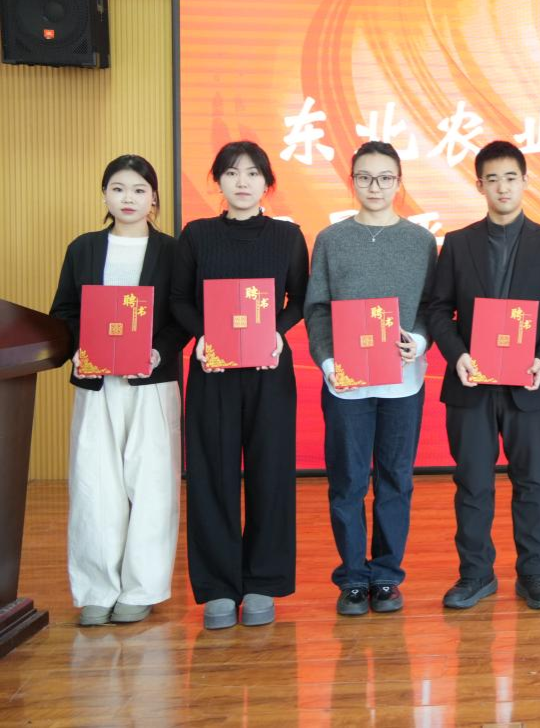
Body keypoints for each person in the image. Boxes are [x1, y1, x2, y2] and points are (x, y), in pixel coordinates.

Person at [426, 141, 540, 611]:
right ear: (479, 186)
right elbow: (438, 310)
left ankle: (534, 574)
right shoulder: (458, 243)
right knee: (473, 482)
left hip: (528, 382)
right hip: (471, 383)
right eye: (492, 179)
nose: (502, 187)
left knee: (534, 482)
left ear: (525, 181)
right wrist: (457, 355)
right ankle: (475, 575)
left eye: (511, 178)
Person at [171, 140, 309, 629]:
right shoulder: (196, 235)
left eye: (252, 173)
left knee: (271, 474)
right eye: (231, 173)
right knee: (212, 475)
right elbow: (179, 299)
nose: (243, 182)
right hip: (213, 373)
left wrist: (278, 332)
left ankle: (262, 581)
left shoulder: (288, 237)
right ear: (218, 181)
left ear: (267, 182)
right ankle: (217, 587)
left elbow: (300, 299)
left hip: (269, 371)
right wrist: (202, 336)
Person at [49, 155, 187, 626]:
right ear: (105, 195)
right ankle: (96, 588)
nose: (128, 198)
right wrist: (77, 348)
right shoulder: (84, 248)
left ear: (154, 198)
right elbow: (64, 311)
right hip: (97, 384)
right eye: (118, 188)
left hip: (151, 383)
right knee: (94, 483)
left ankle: (142, 587)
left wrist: (157, 353)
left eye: (139, 189)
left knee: (152, 485)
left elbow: (181, 317)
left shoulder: (172, 251)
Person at [304, 141, 437, 616]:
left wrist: (418, 341)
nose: (374, 187)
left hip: (404, 382)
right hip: (346, 385)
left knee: (395, 479)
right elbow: (317, 309)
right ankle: (352, 579)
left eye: (384, 178)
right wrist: (327, 362)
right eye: (364, 177)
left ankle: (386, 576)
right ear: (352, 181)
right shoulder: (331, 239)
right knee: (347, 481)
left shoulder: (421, 241)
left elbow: (432, 307)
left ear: (399, 183)